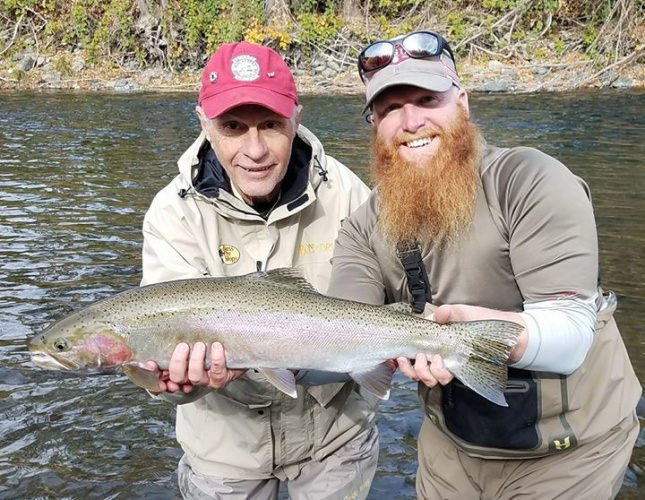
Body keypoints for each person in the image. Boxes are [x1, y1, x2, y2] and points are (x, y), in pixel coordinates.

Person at [327, 30, 642, 499]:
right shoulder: (361, 227)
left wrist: (474, 340)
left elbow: (571, 335)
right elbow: (337, 333)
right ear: (374, 125)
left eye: (427, 99)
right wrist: (232, 355)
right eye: (390, 109)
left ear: (463, 104)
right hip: (451, 444)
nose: (410, 120)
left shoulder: (529, 180)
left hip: (571, 449)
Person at [140, 41, 379, 499]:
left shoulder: (348, 194)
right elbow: (164, 370)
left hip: (337, 440)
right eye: (232, 127)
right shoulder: (173, 214)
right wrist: (180, 385)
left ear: (296, 118)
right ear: (204, 124)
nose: (254, 150)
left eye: (270, 125)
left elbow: (383, 308)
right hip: (224, 451)